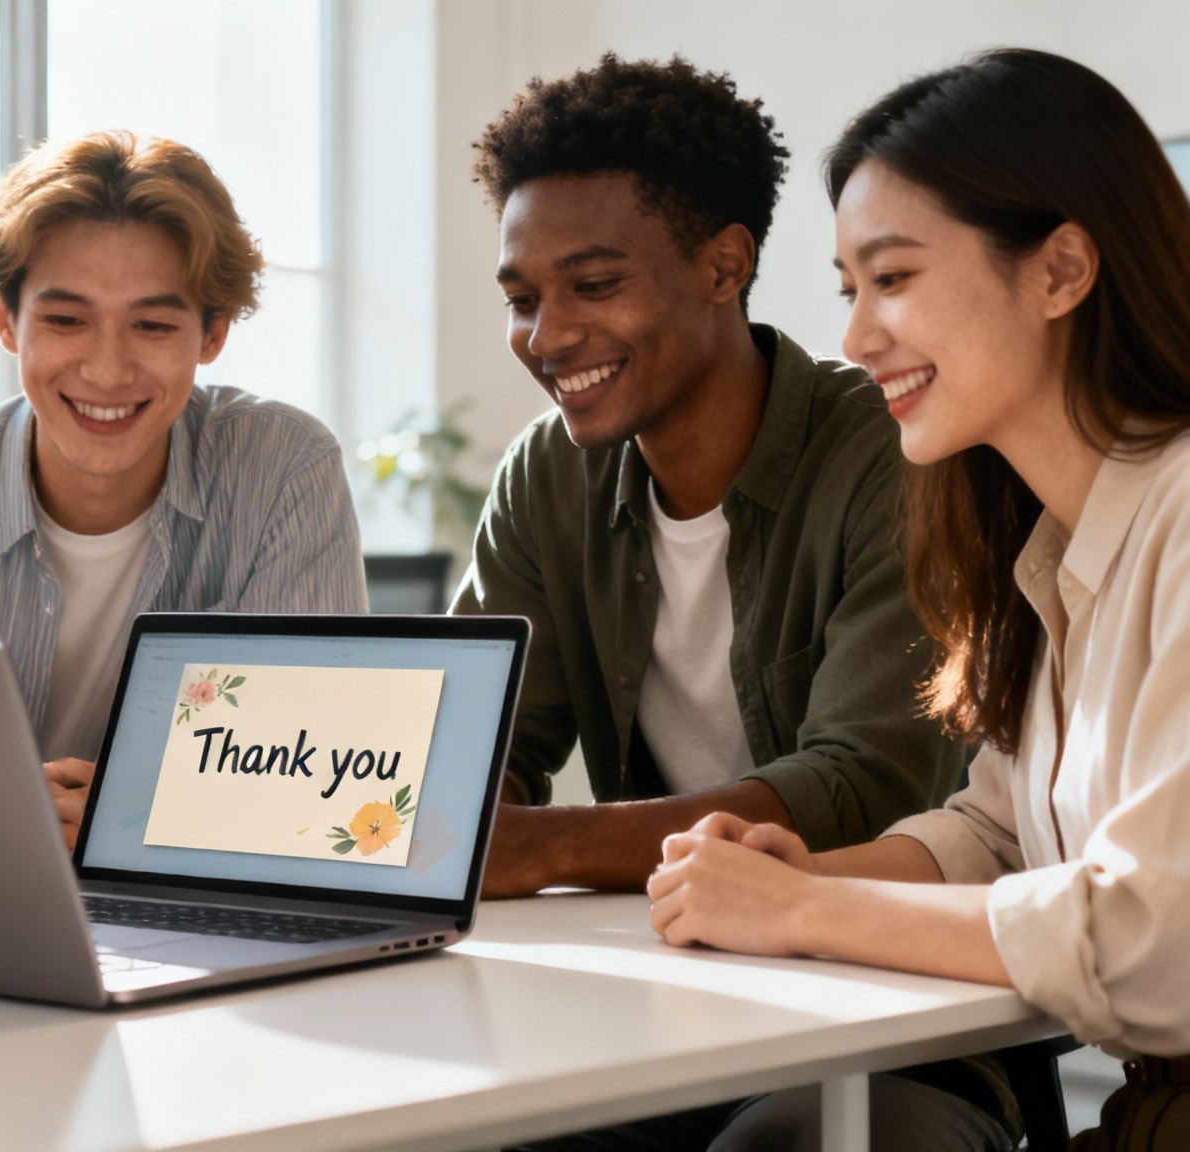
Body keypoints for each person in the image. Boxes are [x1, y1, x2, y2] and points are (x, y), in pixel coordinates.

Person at [456, 56, 1011, 1149]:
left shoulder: (899, 452)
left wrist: (545, 846)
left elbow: (856, 784)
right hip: (656, 1000)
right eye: (523, 299)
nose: (546, 334)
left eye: (593, 284)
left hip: (894, 1018)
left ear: (723, 265)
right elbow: (473, 740)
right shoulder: (547, 474)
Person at [651, 48, 1190, 1150]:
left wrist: (804, 914)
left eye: (891, 280)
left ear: (1059, 270)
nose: (851, 339)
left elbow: (1156, 946)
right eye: (849, 290)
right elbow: (997, 827)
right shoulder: (1049, 550)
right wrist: (799, 873)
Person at [0, 131, 367, 844]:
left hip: (192, 904)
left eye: (153, 325)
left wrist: (128, 819)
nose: (106, 370)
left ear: (213, 333)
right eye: (66, 320)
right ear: (6, 321)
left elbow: (314, 777)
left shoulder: (286, 470)